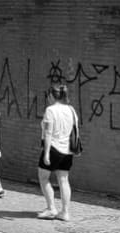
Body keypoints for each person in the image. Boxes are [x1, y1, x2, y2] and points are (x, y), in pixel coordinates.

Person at [38, 84, 77, 221]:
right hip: (67, 151)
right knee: (64, 180)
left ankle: (51, 208)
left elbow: (48, 132)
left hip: (53, 148)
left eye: (48, 95)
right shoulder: (71, 110)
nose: (47, 98)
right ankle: (65, 212)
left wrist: (46, 153)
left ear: (52, 96)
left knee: (43, 177)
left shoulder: (51, 110)